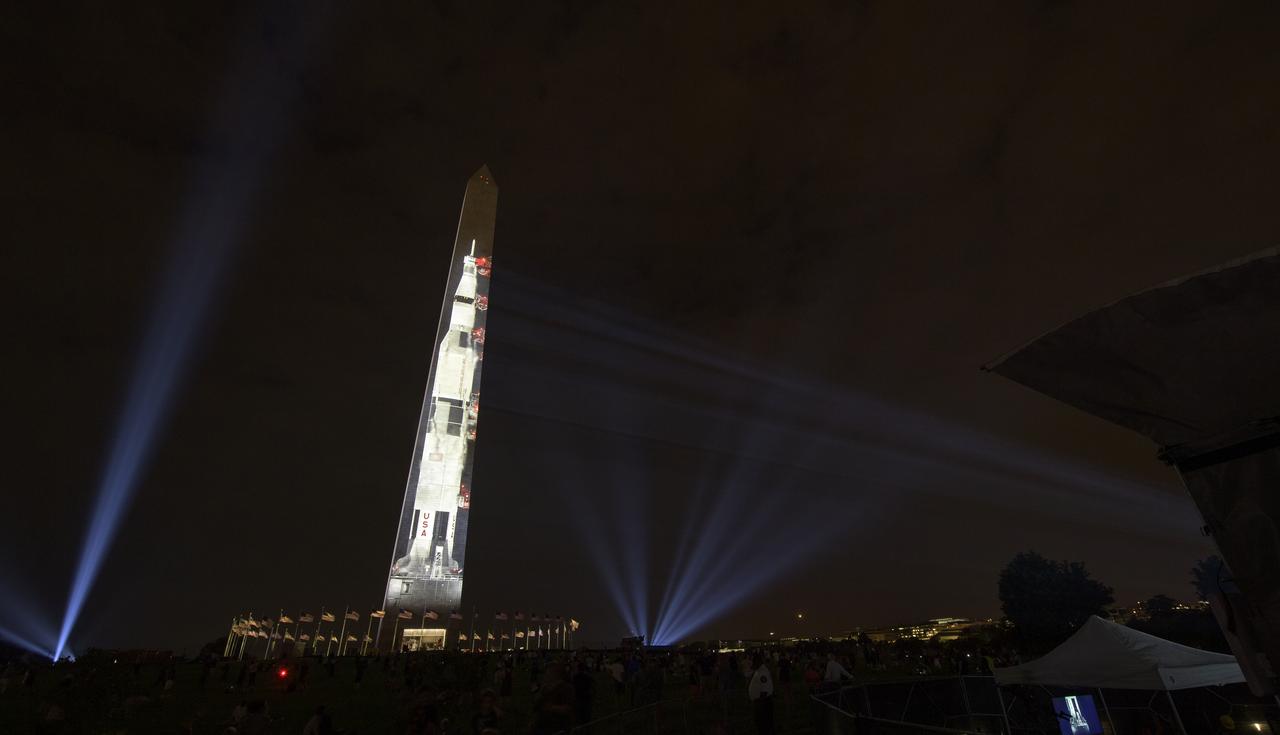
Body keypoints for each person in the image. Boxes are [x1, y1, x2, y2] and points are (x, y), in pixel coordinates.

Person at [748, 654, 775, 735]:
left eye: (753, 662)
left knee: (764, 725)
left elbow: (765, 689)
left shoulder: (762, 672)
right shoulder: (759, 671)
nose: (752, 664)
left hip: (763, 703)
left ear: (757, 662)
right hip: (762, 702)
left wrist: (759, 703)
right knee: (763, 725)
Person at [572, 661, 595, 727]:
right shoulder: (588, 677)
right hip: (586, 697)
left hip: (578, 697)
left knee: (579, 715)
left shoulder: (575, 677)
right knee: (586, 715)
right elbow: (592, 686)